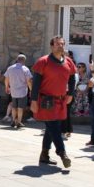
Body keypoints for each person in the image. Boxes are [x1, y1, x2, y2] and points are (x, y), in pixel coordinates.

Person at [31, 36, 76, 168]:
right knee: (55, 127)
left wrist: (71, 94)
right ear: (51, 46)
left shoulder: (68, 61)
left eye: (62, 44)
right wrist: (33, 100)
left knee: (51, 128)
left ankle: (44, 155)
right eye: (57, 44)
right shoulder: (43, 61)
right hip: (46, 100)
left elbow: (72, 78)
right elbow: (36, 83)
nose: (60, 46)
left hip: (61, 100)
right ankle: (62, 153)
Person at [5, 54, 33, 128]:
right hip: (22, 92)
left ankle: (13, 120)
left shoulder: (10, 68)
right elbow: (29, 81)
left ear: (17, 59)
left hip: (13, 91)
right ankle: (19, 122)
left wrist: (7, 87)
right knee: (20, 107)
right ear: (24, 61)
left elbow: (6, 79)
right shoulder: (25, 69)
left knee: (14, 107)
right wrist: (31, 90)